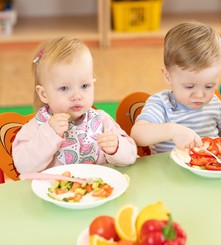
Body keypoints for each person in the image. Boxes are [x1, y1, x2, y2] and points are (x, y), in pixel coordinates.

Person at [13, 37, 137, 174]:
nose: (77, 96)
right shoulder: (37, 127)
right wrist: (49, 133)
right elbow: (23, 167)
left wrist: (117, 147)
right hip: (53, 192)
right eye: (64, 88)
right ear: (44, 94)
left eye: (84, 86)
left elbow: (131, 155)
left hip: (98, 191)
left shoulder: (101, 120)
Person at [130, 22, 221, 154]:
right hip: (168, 172)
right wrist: (173, 131)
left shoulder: (214, 104)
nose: (199, 95)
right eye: (190, 86)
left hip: (208, 171)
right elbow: (137, 134)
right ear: (168, 76)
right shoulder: (161, 103)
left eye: (209, 86)